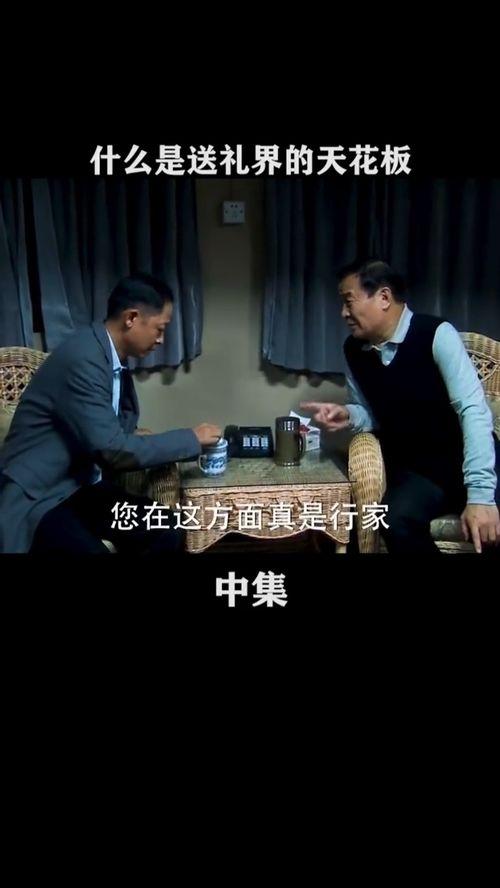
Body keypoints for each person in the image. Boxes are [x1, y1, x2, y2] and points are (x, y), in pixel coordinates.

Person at [0, 273, 221, 554]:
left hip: (80, 487)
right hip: (41, 495)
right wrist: (191, 438)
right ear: (131, 318)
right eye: (159, 328)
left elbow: (109, 431)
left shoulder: (109, 357)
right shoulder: (83, 359)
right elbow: (112, 450)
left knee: (166, 527)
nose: (161, 339)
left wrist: (145, 439)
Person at [301, 258, 500, 554]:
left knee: (490, 525)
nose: (343, 313)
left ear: (384, 297)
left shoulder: (436, 334)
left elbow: (473, 410)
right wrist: (348, 415)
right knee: (394, 520)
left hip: (468, 458)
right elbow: (369, 412)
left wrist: (481, 494)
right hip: (420, 471)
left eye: (349, 301)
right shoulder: (354, 350)